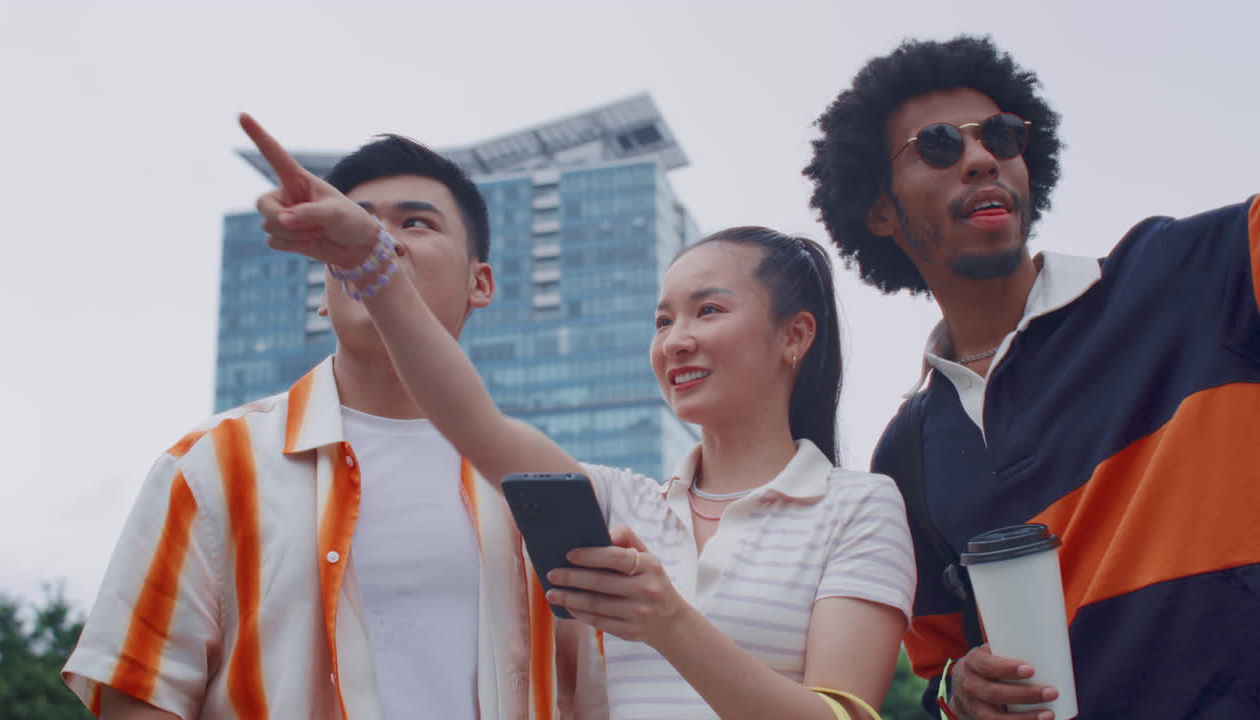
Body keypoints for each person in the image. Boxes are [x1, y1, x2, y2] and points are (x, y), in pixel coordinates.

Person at [244, 116, 917, 719]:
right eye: (662, 319)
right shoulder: (623, 505)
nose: (675, 340)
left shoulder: (858, 507)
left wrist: (671, 625)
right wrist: (372, 265)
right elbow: (470, 419)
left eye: (708, 311)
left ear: (795, 336)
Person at [61, 115, 584, 720]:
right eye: (359, 227)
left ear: (481, 283)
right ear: (324, 280)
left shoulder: (543, 488)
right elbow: (139, 692)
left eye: (416, 222)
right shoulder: (212, 464)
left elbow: (594, 688)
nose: (379, 242)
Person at [803, 34, 1260, 720]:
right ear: (880, 210)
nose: (982, 157)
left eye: (1002, 135)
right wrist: (960, 691)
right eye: (937, 146)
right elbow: (939, 671)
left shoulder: (1199, 270)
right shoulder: (905, 454)